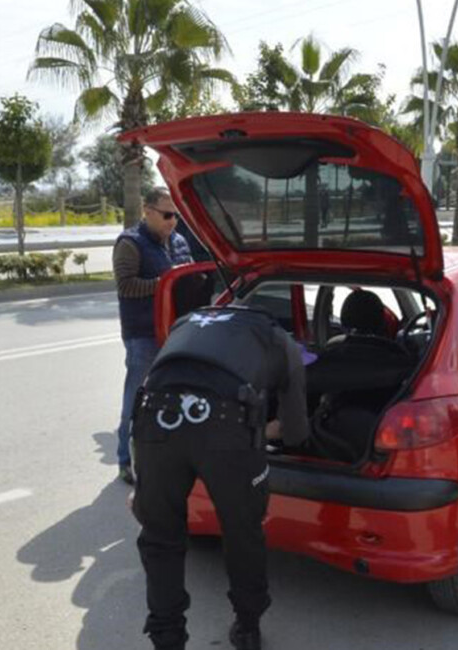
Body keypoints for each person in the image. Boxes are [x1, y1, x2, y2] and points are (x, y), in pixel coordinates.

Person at [130, 305, 311, 650]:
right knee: (242, 531)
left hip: (154, 417)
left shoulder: (187, 322)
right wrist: (268, 430)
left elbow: (164, 374)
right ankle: (247, 627)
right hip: (225, 427)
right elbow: (296, 431)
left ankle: (166, 639)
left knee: (160, 538)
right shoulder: (279, 339)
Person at [113, 187, 193, 484]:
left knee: (174, 398)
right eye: (167, 215)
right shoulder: (130, 243)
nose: (173, 221)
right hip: (143, 333)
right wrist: (166, 282)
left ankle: (168, 458)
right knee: (135, 400)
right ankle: (125, 461)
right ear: (147, 211)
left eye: (177, 215)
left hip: (177, 331)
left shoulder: (180, 241)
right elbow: (126, 286)